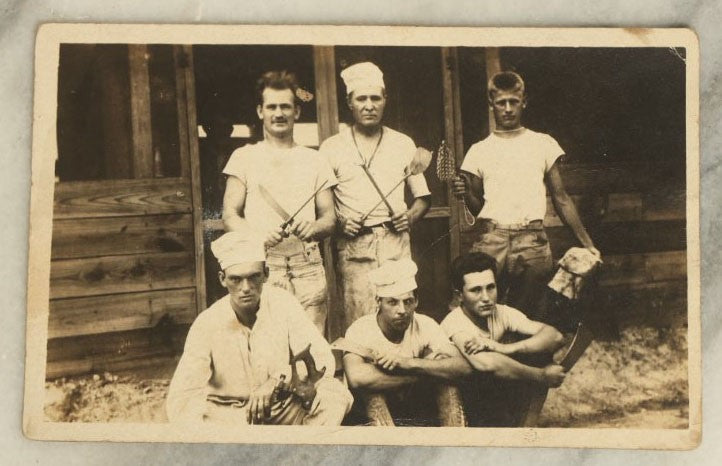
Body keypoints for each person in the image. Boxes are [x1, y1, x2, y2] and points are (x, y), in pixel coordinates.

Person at [452, 71, 599, 320]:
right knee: (481, 312)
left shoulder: (542, 143)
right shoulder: (479, 151)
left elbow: (561, 198)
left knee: (532, 316)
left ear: (524, 101)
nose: (508, 109)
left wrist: (588, 244)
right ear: (491, 105)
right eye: (501, 103)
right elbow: (478, 209)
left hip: (532, 241)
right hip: (493, 239)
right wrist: (465, 193)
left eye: (513, 101)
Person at [166, 231, 352, 425]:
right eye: (235, 279)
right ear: (222, 279)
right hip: (231, 416)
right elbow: (182, 395)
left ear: (266, 274)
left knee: (334, 394)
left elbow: (322, 361)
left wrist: (277, 381)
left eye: (254, 277)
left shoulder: (283, 303)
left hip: (282, 407)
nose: (246, 288)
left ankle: (302, 450)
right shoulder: (207, 323)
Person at [222, 70, 337, 334]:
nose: (279, 113)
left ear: (296, 111)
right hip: (263, 267)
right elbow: (230, 215)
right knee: (269, 346)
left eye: (285, 106)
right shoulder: (244, 157)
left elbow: (329, 218)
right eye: (271, 106)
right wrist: (257, 236)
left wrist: (315, 228)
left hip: (307, 267)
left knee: (311, 348)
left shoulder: (315, 159)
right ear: (260, 111)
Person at [319, 62, 431, 331]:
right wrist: (341, 222)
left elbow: (423, 199)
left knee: (400, 316)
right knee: (359, 320)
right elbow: (321, 206)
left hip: (395, 243)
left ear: (385, 101)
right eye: (361, 98)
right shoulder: (331, 147)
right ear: (350, 102)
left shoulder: (403, 143)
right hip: (355, 247)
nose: (369, 105)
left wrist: (409, 218)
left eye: (375, 98)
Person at [441, 252, 566, 426]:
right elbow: (487, 364)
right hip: (462, 400)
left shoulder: (501, 312)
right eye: (476, 290)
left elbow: (555, 336)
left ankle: (524, 426)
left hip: (493, 393)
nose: (486, 298)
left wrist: (504, 348)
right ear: (460, 295)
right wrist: (541, 376)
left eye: (490, 287)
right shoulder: (455, 323)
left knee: (539, 353)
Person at [342, 258, 470, 426]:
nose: (401, 310)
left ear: (416, 301)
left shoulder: (425, 324)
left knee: (448, 383)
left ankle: (456, 440)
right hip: (371, 412)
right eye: (392, 302)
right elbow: (357, 378)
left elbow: (463, 366)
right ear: (378, 302)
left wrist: (408, 363)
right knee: (372, 392)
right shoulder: (360, 329)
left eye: (408, 302)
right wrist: (422, 373)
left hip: (413, 404)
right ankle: (389, 446)